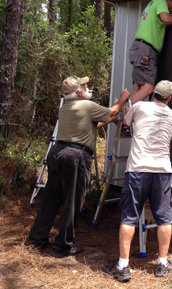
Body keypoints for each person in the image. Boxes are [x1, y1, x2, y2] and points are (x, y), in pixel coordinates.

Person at [28, 75, 130, 258]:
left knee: (51, 199)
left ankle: (37, 240)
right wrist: (122, 99)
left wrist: (109, 119)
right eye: (85, 86)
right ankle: (63, 247)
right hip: (75, 157)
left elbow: (93, 125)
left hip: (57, 153)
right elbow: (113, 111)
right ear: (78, 92)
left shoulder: (66, 107)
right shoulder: (87, 106)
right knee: (72, 201)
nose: (88, 88)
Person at [103, 80, 172, 282]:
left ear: (153, 92)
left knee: (129, 216)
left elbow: (126, 122)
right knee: (164, 217)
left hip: (138, 169)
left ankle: (122, 266)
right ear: (169, 98)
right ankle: (162, 263)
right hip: (162, 171)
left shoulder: (140, 106)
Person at [129, 0, 172, 104]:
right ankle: (122, 113)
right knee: (148, 88)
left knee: (138, 88)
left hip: (140, 48)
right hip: (146, 49)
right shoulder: (161, 2)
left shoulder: (153, 4)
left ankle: (127, 118)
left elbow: (165, 22)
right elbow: (166, 18)